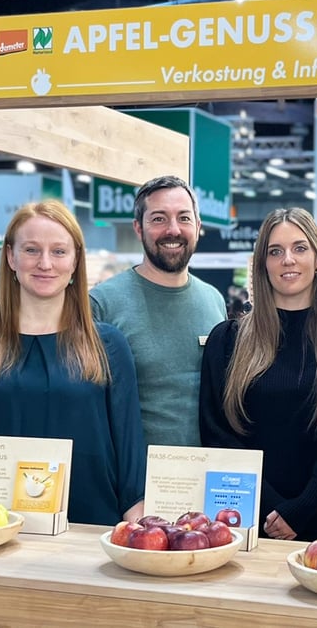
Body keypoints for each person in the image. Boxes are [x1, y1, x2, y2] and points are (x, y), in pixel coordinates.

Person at [0, 200, 145, 526]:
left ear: (76, 260)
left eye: (59, 251)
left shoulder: (107, 344)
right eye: (32, 250)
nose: (45, 263)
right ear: (11, 257)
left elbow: (128, 444)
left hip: (89, 525)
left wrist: (138, 529)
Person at [200, 208, 317, 542]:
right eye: (275, 251)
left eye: (300, 248)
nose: (288, 259)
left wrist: (300, 509)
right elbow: (218, 434)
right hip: (242, 518)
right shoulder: (227, 340)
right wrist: (271, 509)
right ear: (263, 265)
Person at [90, 175, 226, 447]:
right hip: (136, 481)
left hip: (206, 475)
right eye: (159, 218)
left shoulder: (213, 300)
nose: (173, 230)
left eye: (184, 218)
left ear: (198, 226)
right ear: (138, 228)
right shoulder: (101, 304)